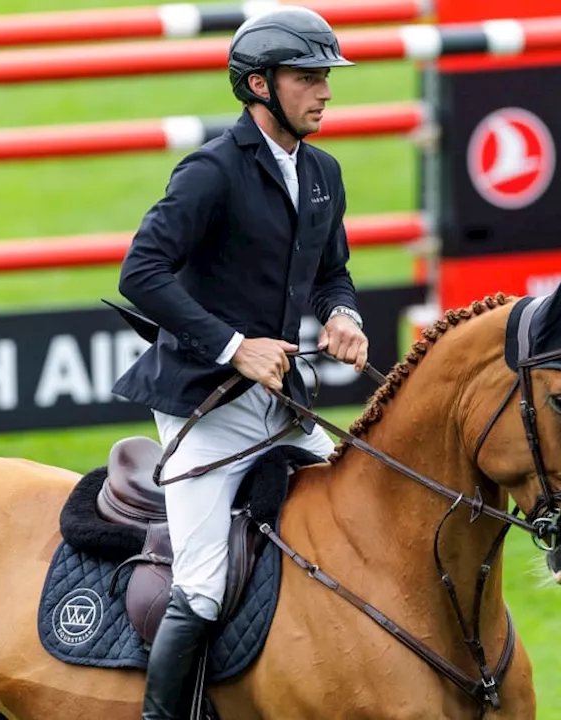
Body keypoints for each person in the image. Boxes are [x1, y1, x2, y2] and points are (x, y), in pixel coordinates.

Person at [110, 7, 369, 718]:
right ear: (259, 85)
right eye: (308, 78)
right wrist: (233, 345)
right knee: (201, 583)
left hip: (280, 402)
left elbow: (332, 272)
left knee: (360, 509)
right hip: (203, 406)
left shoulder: (321, 172)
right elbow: (142, 273)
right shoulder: (211, 172)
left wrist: (343, 315)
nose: (324, 92)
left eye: (327, 78)